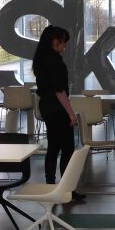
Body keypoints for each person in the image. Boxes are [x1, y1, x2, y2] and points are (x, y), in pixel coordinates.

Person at [32, 25, 85, 201]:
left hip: (47, 107)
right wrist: (71, 113)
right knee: (67, 148)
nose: (65, 46)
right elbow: (59, 91)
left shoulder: (41, 58)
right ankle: (67, 189)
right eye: (63, 42)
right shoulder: (54, 60)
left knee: (53, 147)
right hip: (57, 107)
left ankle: (51, 185)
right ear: (54, 41)